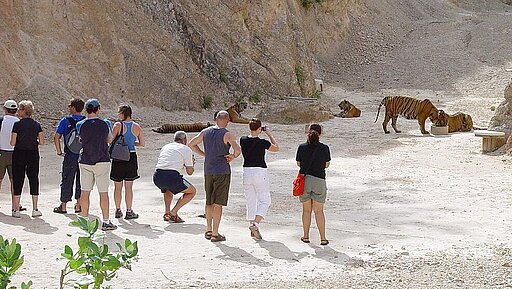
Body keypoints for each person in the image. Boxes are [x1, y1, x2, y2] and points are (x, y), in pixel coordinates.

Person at [189, 110, 241, 242]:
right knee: (218, 203)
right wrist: (232, 157)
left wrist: (204, 154)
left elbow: (191, 144)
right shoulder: (227, 134)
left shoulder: (205, 132)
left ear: (215, 119)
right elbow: (238, 150)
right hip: (222, 170)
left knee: (209, 201)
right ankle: (215, 233)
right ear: (228, 120)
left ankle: (208, 229)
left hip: (208, 170)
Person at [76, 99, 116, 231]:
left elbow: (80, 140)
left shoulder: (80, 124)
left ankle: (84, 221)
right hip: (102, 160)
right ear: (98, 109)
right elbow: (110, 139)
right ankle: (105, 221)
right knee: (103, 193)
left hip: (86, 160)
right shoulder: (105, 123)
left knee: (85, 192)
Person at [239, 118, 279, 240]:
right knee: (265, 200)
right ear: (259, 129)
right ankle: (255, 223)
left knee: (250, 200)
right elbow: (276, 148)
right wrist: (269, 134)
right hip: (259, 171)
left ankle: (252, 225)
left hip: (246, 171)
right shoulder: (262, 142)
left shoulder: (243, 140)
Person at [295, 124, 331, 245]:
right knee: (319, 211)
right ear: (320, 134)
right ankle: (323, 238)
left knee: (306, 211)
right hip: (319, 180)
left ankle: (305, 236)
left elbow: (299, 164)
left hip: (305, 181)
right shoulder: (325, 148)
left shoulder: (301, 147)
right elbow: (326, 165)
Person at [10, 100, 44, 218]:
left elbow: (12, 142)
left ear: (24, 110)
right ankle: (35, 208)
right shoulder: (36, 124)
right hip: (33, 153)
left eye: (20, 109)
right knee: (33, 179)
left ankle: (16, 209)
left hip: (19, 153)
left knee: (18, 179)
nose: (18, 111)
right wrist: (34, 142)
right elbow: (42, 141)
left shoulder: (17, 125)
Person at [153, 130, 196, 222]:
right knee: (192, 191)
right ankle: (173, 213)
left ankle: (167, 212)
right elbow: (190, 172)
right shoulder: (186, 149)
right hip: (172, 176)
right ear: (184, 140)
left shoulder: (166, 146)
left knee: (168, 190)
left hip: (157, 175)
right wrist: (192, 163)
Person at [111, 105, 145, 220]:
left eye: (119, 113)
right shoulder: (137, 126)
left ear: (123, 113)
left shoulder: (118, 125)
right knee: (129, 187)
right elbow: (142, 143)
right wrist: (131, 144)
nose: (118, 115)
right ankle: (129, 210)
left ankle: (117, 209)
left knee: (117, 186)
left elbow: (111, 140)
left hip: (118, 157)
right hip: (131, 156)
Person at [53, 98, 85, 214]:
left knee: (67, 179)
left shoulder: (65, 121)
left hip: (69, 155)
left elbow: (56, 137)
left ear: (73, 107)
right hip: (83, 156)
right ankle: (79, 205)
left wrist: (59, 152)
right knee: (81, 180)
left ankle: (64, 206)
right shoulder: (85, 121)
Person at [0, 100, 26, 213]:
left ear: (5, 109)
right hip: (15, 154)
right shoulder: (19, 122)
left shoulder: (1, 120)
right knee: (14, 181)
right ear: (16, 110)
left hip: (1, 153)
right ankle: (15, 205)